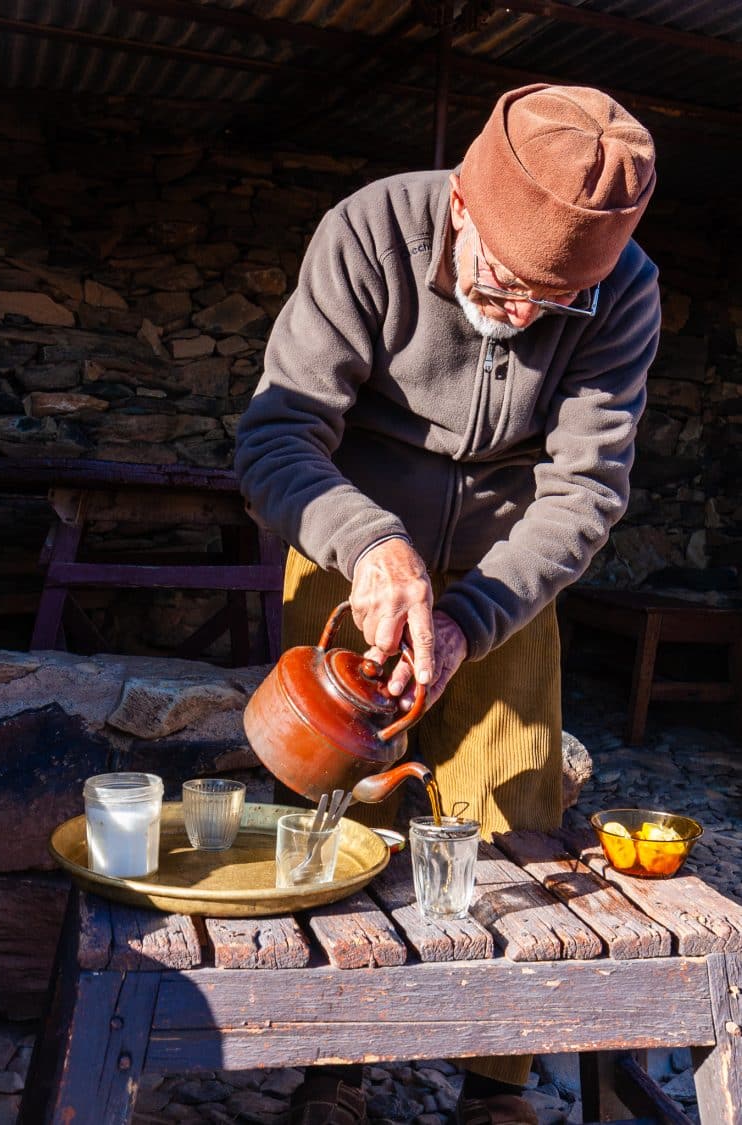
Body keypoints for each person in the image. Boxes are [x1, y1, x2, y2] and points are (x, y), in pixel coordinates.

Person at [235, 83, 660, 1125]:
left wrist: (473, 614)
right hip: (351, 545)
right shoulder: (370, 231)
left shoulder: (624, 290)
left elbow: (585, 489)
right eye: (506, 286)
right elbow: (277, 438)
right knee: (324, 809)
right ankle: (331, 1071)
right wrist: (371, 545)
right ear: (463, 207)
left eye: (551, 305)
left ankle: (494, 1086)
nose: (522, 317)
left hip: (504, 576)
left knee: (514, 812)